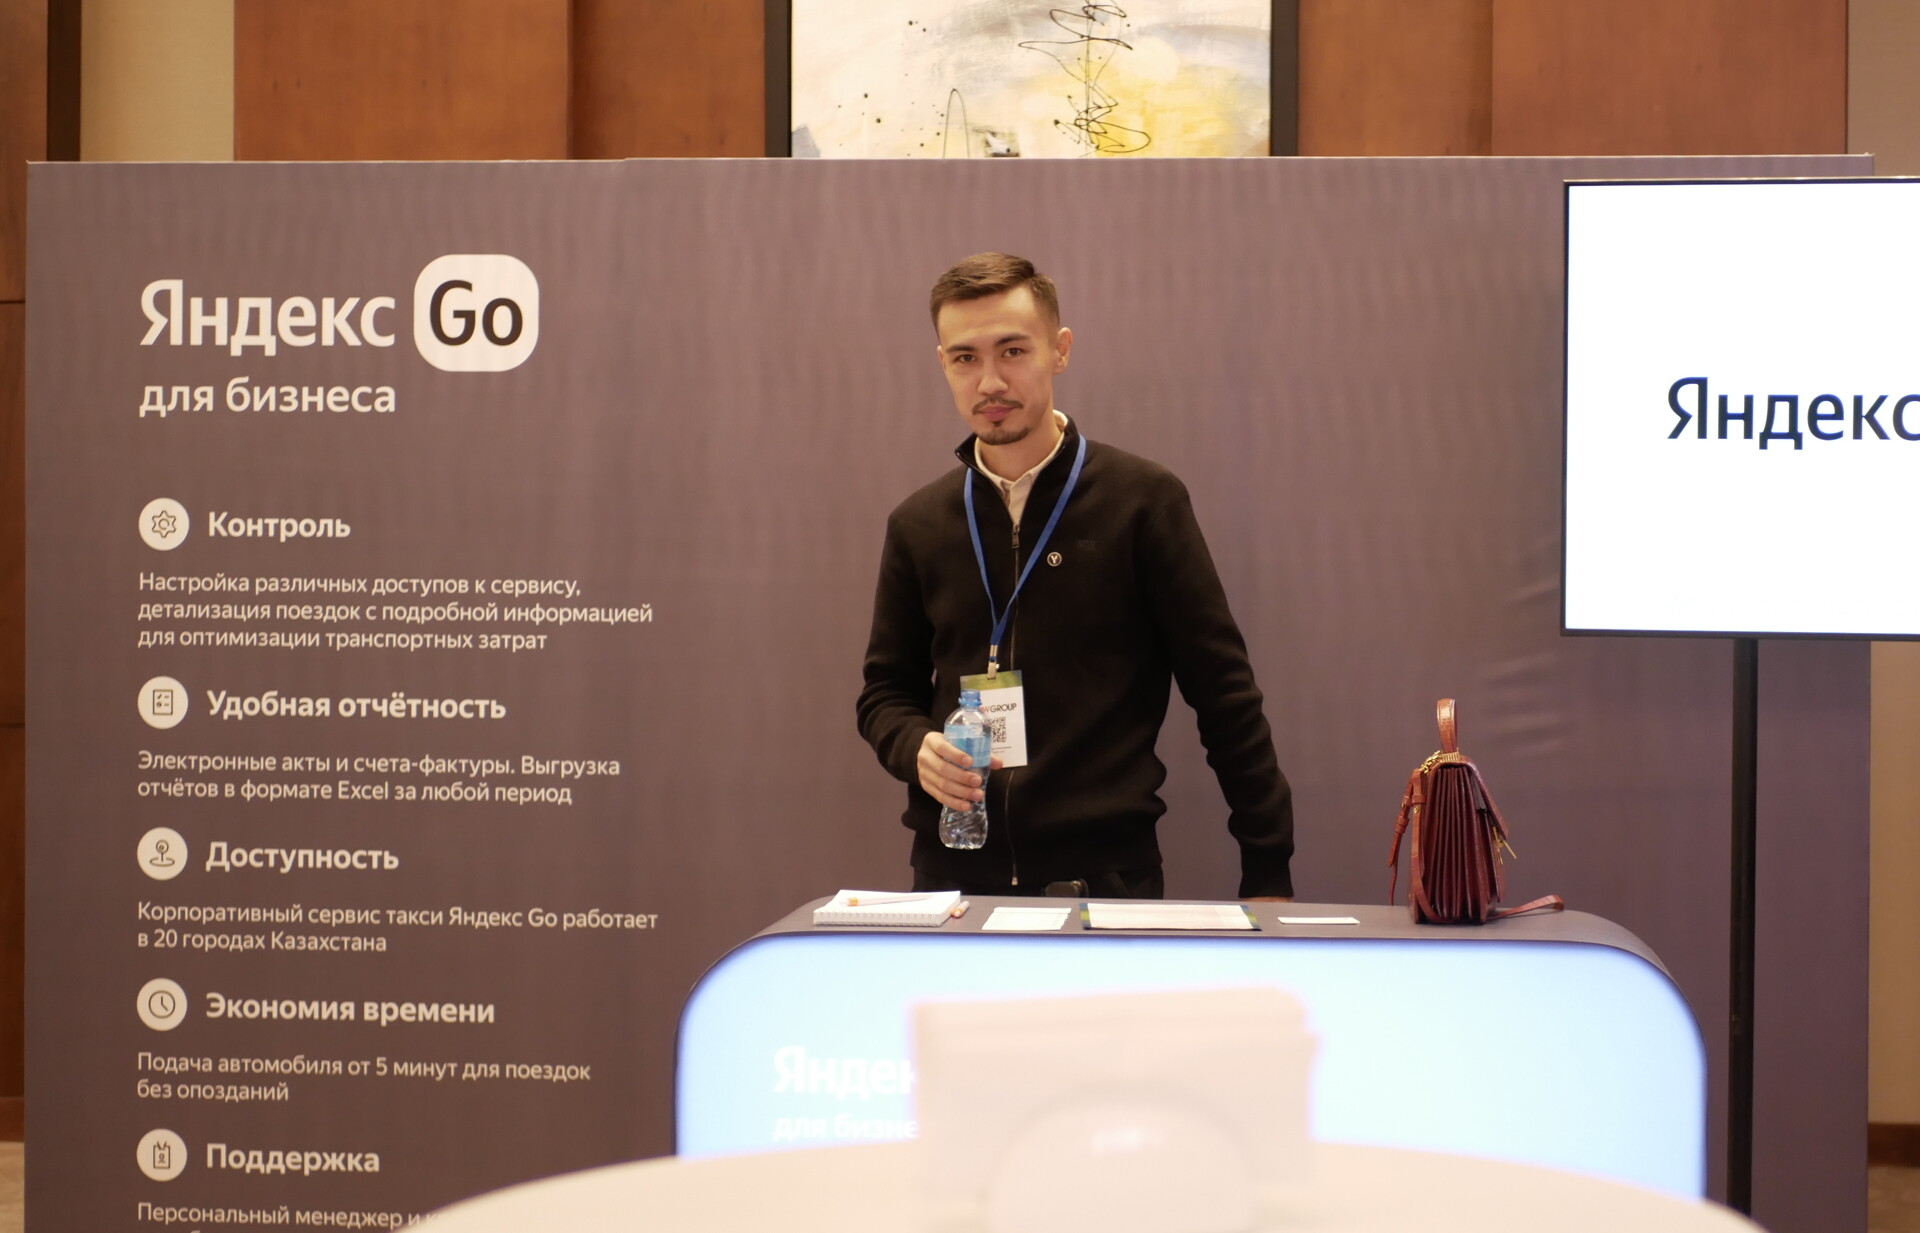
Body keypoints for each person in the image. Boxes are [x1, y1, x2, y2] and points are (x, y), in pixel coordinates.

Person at [855, 252, 1294, 900]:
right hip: (953, 887)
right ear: (943, 364)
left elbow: (1224, 695)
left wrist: (1267, 867)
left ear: (1059, 350)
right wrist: (914, 746)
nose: (990, 382)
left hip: (1103, 883)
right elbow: (884, 694)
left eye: (1013, 351)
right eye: (966, 358)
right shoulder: (918, 524)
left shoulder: (1141, 503)